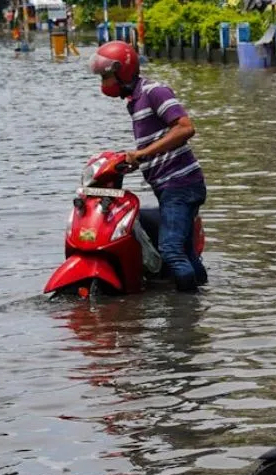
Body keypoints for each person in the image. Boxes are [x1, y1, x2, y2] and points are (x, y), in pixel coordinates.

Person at [88, 41, 208, 292]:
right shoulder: (135, 100)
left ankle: (186, 315)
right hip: (169, 186)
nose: (104, 83)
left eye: (106, 76)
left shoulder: (154, 91)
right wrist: (134, 162)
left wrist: (142, 153)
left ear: (122, 71)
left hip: (181, 184)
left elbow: (186, 128)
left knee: (171, 250)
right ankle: (202, 295)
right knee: (185, 249)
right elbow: (157, 143)